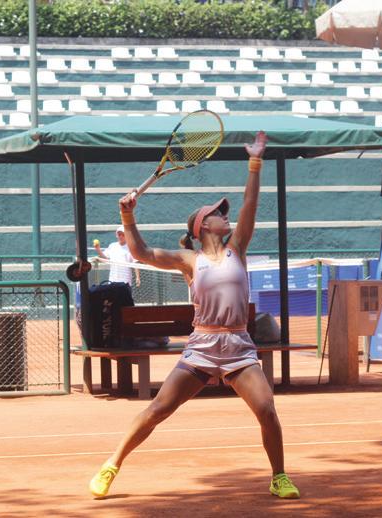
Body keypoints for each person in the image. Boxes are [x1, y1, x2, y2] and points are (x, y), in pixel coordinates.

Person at [88, 131, 301, 500]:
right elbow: (141, 253)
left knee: (266, 408)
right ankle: (111, 464)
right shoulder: (190, 259)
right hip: (202, 345)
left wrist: (255, 161)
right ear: (202, 226)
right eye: (218, 214)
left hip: (238, 345)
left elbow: (251, 204)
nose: (225, 216)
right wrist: (127, 215)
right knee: (159, 409)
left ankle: (279, 476)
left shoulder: (237, 248)